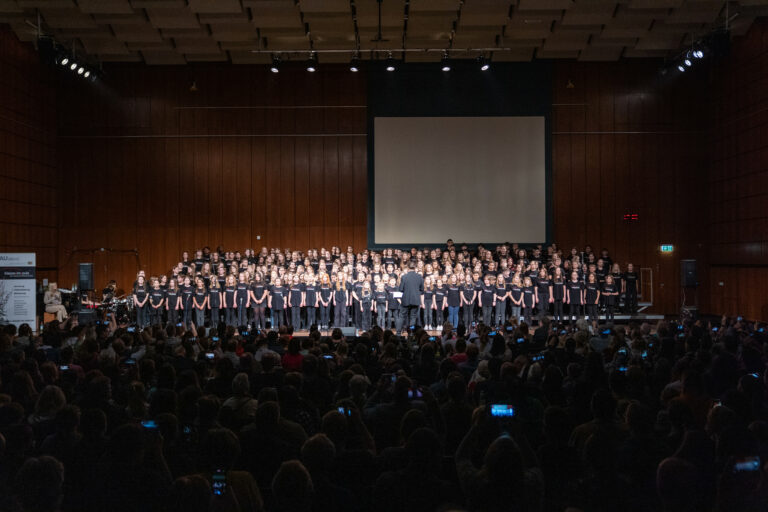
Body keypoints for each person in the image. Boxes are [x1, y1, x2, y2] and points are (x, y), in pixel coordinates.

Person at [399, 262, 424, 330]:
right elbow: (422, 289)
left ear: (407, 268)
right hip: (415, 300)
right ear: (415, 268)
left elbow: (400, 289)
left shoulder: (404, 277)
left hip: (406, 300)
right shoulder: (419, 277)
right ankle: (411, 333)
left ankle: (398, 333)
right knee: (413, 317)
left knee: (402, 316)